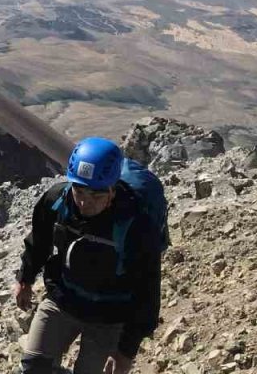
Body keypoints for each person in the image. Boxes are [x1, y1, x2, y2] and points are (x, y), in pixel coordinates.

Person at [13, 137, 162, 374]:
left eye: (96, 195)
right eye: (79, 190)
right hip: (63, 300)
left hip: (109, 317)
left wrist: (125, 352)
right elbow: (39, 242)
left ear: (112, 190)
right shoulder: (57, 201)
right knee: (33, 368)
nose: (84, 202)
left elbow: (148, 290)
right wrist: (25, 278)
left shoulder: (136, 224)